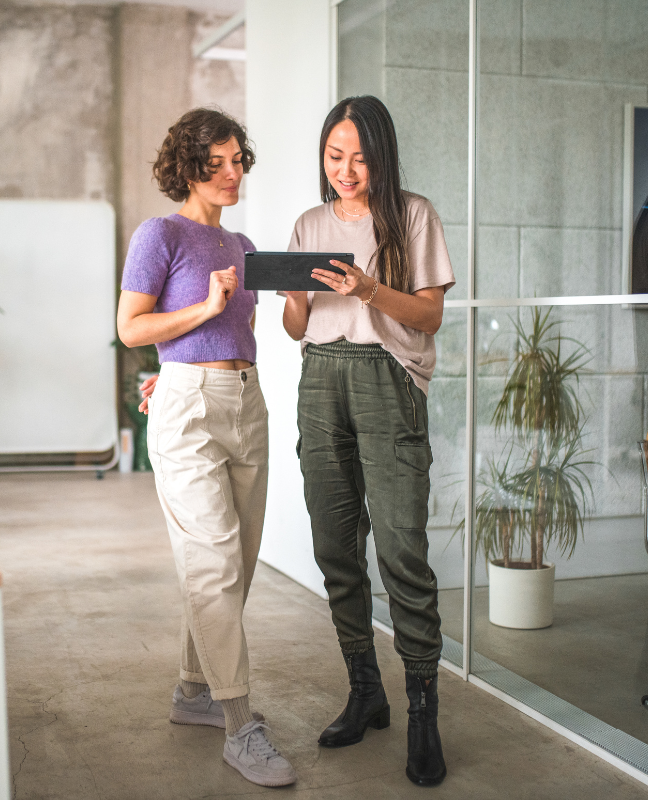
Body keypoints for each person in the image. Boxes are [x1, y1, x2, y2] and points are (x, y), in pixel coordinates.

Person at [116, 107, 296, 788]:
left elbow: (235, 336)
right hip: (190, 408)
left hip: (248, 404)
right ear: (186, 167)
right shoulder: (159, 234)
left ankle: (193, 690)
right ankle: (240, 725)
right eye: (215, 162)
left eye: (237, 159)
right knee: (214, 562)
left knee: (238, 564)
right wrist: (201, 316)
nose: (231, 173)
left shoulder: (243, 244)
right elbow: (131, 328)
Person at [282, 95, 455, 786]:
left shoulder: (413, 215)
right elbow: (298, 327)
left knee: (404, 551)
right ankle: (365, 690)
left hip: (388, 380)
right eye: (334, 156)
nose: (346, 170)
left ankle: (422, 712)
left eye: (358, 157)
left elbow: (430, 316)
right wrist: (292, 295)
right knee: (335, 545)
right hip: (320, 379)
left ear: (380, 156)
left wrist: (368, 289)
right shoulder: (307, 223)